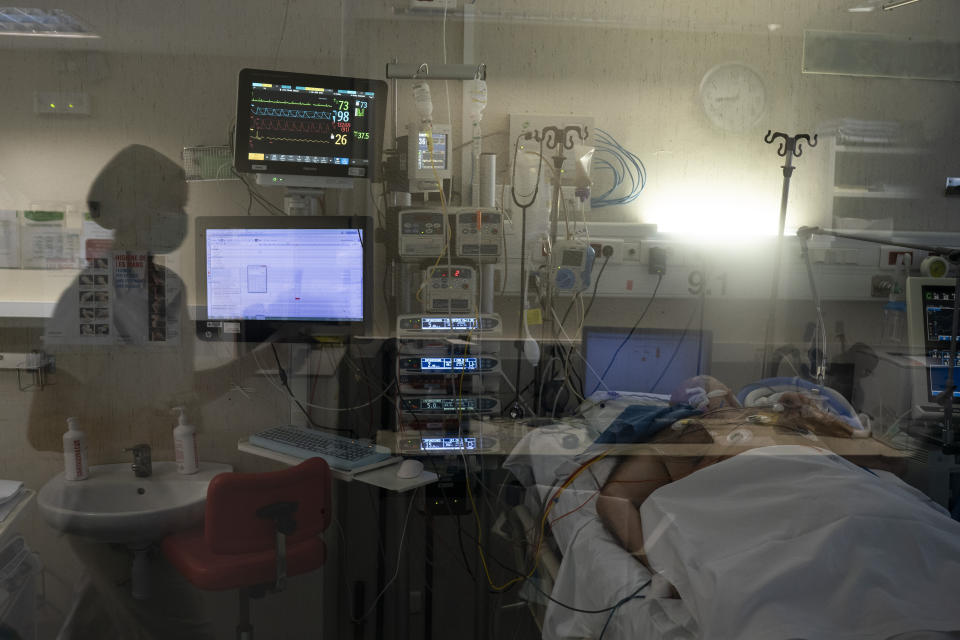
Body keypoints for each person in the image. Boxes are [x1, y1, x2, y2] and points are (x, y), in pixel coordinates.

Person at [595, 375, 889, 569]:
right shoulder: (684, 434)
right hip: (775, 516)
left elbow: (889, 463)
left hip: (844, 499)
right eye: (715, 392)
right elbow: (615, 497)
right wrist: (653, 566)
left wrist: (820, 419)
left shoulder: (785, 418)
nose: (727, 401)